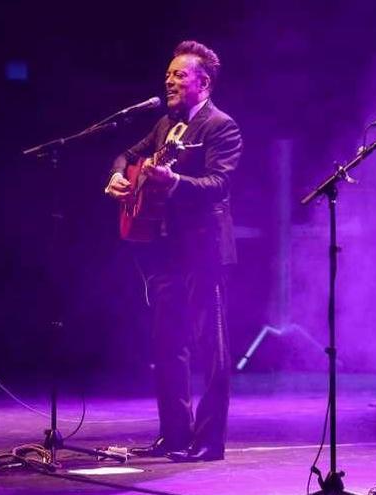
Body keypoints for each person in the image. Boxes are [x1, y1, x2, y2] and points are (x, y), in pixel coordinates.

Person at [105, 40, 242, 462]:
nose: (169, 80)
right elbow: (128, 154)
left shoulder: (221, 126)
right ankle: (175, 435)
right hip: (165, 249)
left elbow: (219, 184)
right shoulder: (167, 123)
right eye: (168, 74)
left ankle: (209, 441)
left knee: (210, 348)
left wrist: (175, 182)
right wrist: (117, 176)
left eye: (179, 74)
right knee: (167, 343)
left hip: (204, 251)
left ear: (203, 82)